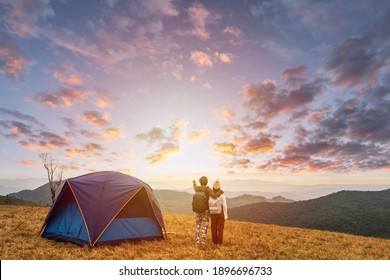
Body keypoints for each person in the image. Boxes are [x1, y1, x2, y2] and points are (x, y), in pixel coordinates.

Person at [192, 176, 223, 245]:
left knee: (197, 225)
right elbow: (214, 195)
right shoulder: (207, 189)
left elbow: (194, 186)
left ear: (200, 182)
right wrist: (220, 191)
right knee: (204, 226)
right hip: (205, 210)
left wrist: (194, 182)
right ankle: (202, 241)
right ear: (206, 182)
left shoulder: (197, 188)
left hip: (197, 210)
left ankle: (197, 240)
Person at [209, 180, 228, 246]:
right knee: (220, 228)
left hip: (212, 213)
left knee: (213, 228)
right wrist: (225, 215)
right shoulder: (222, 194)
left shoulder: (210, 194)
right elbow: (224, 205)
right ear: (219, 187)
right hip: (220, 213)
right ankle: (219, 243)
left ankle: (214, 242)